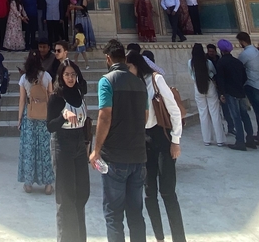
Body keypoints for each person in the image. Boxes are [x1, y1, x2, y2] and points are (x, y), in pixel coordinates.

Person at [89, 40, 148, 242]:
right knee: (135, 213)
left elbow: (105, 116)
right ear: (124, 58)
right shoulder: (140, 83)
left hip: (115, 157)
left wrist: (96, 149)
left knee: (114, 215)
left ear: (108, 58)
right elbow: (145, 116)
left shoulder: (107, 81)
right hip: (138, 155)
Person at [126, 51, 185, 242]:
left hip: (162, 138)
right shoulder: (133, 85)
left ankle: (178, 238)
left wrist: (176, 140)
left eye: (129, 67)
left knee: (167, 191)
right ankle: (159, 237)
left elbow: (174, 111)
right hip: (145, 141)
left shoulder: (156, 80)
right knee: (149, 193)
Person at [47, 59, 90, 242]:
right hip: (62, 146)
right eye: (67, 75)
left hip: (80, 145)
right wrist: (63, 116)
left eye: (73, 74)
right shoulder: (57, 97)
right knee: (66, 196)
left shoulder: (79, 93)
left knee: (81, 193)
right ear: (61, 76)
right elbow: (50, 126)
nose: (70, 78)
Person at [17, 50, 55, 194]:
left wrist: (20, 118)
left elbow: (21, 101)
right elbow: (51, 97)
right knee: (45, 150)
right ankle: (48, 185)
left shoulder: (24, 79)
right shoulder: (47, 76)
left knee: (29, 149)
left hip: (30, 115)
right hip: (44, 115)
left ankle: (28, 183)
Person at [217, 39, 256, 151]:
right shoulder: (237, 62)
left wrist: (222, 93)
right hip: (240, 92)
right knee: (244, 115)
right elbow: (244, 77)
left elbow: (221, 80)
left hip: (230, 93)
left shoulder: (221, 62)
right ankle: (250, 139)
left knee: (236, 117)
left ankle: (240, 141)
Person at [237, 32, 259, 146]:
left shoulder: (246, 54)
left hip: (253, 84)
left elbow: (238, 65)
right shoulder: (256, 51)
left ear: (242, 41)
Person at [188, 43, 226, 147]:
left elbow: (191, 75)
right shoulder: (208, 62)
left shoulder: (190, 63)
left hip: (198, 87)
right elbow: (213, 72)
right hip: (209, 86)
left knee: (203, 114)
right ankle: (220, 140)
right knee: (215, 113)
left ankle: (207, 139)